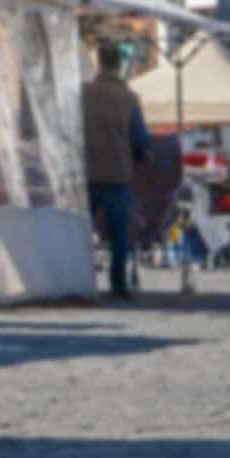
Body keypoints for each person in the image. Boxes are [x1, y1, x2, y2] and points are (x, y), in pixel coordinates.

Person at [82, 41, 151, 298]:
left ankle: (81, 280)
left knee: (82, 230)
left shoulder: (83, 93)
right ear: (119, 65)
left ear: (98, 62)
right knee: (119, 234)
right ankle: (118, 284)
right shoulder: (129, 98)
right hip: (117, 172)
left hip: (87, 171)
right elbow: (141, 138)